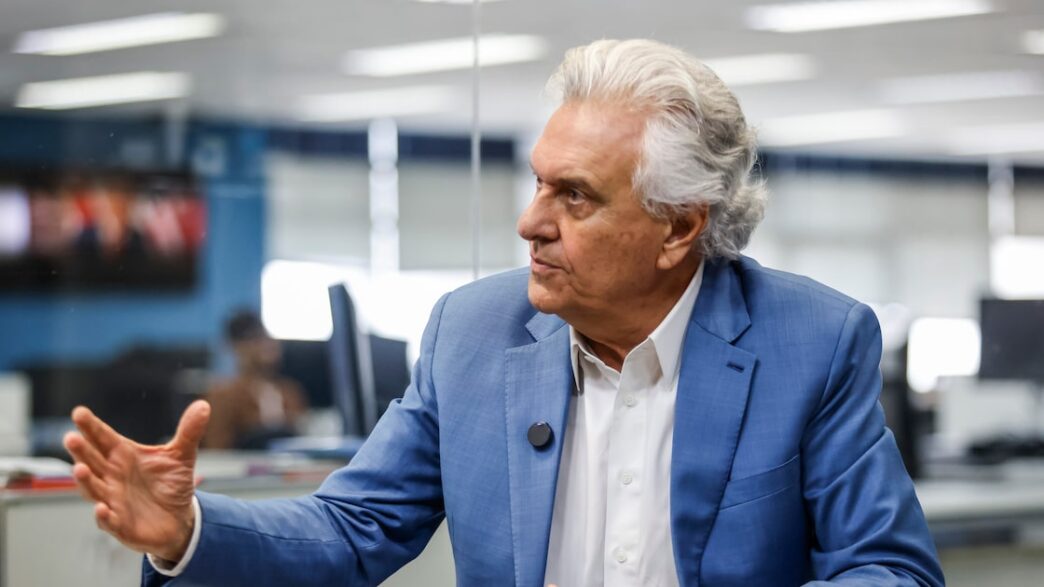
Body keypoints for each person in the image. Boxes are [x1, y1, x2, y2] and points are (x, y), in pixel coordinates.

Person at [63, 39, 945, 586]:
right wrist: (191, 530)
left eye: (575, 196)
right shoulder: (472, 334)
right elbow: (349, 528)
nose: (530, 221)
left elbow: (890, 568)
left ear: (679, 227)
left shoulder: (812, 341)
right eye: (537, 183)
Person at [201, 310, 308, 450]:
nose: (267, 344)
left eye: (269, 338)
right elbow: (217, 450)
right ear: (236, 346)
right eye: (256, 339)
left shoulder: (290, 392)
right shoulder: (223, 396)